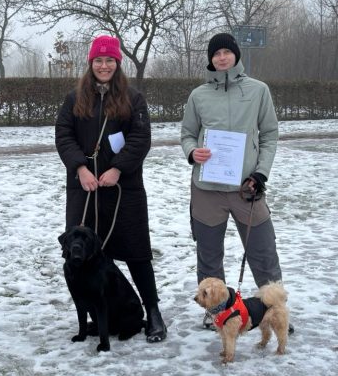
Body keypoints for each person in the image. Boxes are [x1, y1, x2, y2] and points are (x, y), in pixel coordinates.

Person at [55, 33, 167, 342]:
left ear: (118, 63)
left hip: (123, 189)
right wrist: (80, 168)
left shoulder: (133, 98)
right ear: (90, 63)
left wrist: (118, 168)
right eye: (98, 60)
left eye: (109, 60)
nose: (103, 66)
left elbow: (140, 137)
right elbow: (64, 134)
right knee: (81, 251)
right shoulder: (74, 99)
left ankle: (153, 312)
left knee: (136, 252)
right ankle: (95, 313)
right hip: (85, 189)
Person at [180, 32, 283, 326]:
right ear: (210, 59)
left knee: (263, 252)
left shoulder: (258, 90)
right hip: (207, 190)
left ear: (236, 55)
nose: (222, 57)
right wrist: (192, 152)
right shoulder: (199, 95)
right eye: (216, 53)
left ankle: (275, 311)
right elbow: (187, 134)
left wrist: (260, 173)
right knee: (209, 255)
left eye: (227, 52)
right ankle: (215, 314)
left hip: (246, 188)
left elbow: (270, 134)